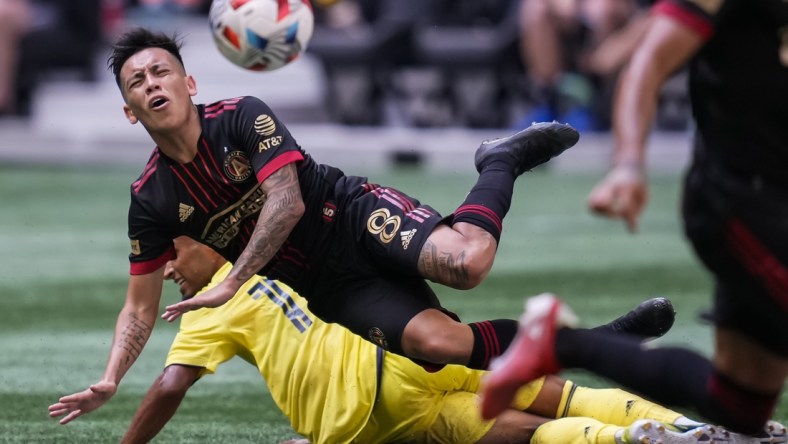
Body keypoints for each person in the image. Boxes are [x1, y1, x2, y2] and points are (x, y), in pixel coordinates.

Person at [47, 27, 580, 424]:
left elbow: (287, 203)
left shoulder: (242, 115)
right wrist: (110, 378)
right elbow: (138, 308)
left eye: (160, 71)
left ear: (188, 82)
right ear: (130, 112)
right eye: (136, 82)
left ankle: (500, 161)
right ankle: (581, 345)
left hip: (348, 215)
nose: (151, 83)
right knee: (441, 346)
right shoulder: (150, 199)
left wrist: (231, 282)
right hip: (324, 286)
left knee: (468, 264)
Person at [480, 0, 788, 438]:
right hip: (738, 200)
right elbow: (647, 64)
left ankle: (560, 341)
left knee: (741, 403)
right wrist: (628, 165)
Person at [116, 237, 720, 444]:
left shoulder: (211, 301)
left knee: (524, 433)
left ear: (200, 240)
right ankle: (691, 430)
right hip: (413, 350)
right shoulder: (279, 244)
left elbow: (171, 384)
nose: (166, 270)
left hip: (375, 413)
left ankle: (635, 438)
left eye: (171, 255)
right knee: (552, 399)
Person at [516, 0, 650, 131]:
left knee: (603, 11)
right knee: (536, 8)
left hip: (630, 14)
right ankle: (549, 97)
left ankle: (592, 102)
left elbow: (647, 10)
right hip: (574, 12)